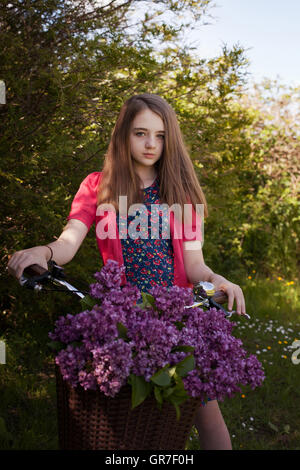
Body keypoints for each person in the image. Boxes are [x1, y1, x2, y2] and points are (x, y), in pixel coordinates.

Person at [8, 93, 247, 450]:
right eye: (140, 133)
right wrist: (43, 252)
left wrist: (219, 280)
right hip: (122, 320)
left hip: (176, 315)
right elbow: (69, 242)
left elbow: (195, 264)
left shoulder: (179, 192)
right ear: (124, 135)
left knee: (205, 413)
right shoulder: (98, 186)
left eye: (160, 135)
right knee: (122, 426)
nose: (151, 143)